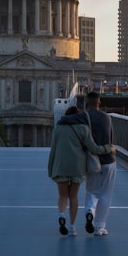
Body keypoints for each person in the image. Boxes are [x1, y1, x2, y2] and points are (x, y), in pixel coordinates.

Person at [47, 105, 114, 236]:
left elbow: (53, 150)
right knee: (73, 196)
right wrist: (108, 149)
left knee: (62, 195)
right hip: (77, 167)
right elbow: (93, 148)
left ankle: (62, 215)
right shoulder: (83, 128)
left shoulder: (58, 128)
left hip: (60, 166)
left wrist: (50, 169)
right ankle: (72, 227)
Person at [83, 91, 116, 236]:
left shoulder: (83, 117)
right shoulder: (107, 118)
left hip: (92, 160)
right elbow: (111, 139)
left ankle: (90, 210)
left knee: (91, 191)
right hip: (108, 160)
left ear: (86, 102)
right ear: (99, 102)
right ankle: (100, 226)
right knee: (106, 194)